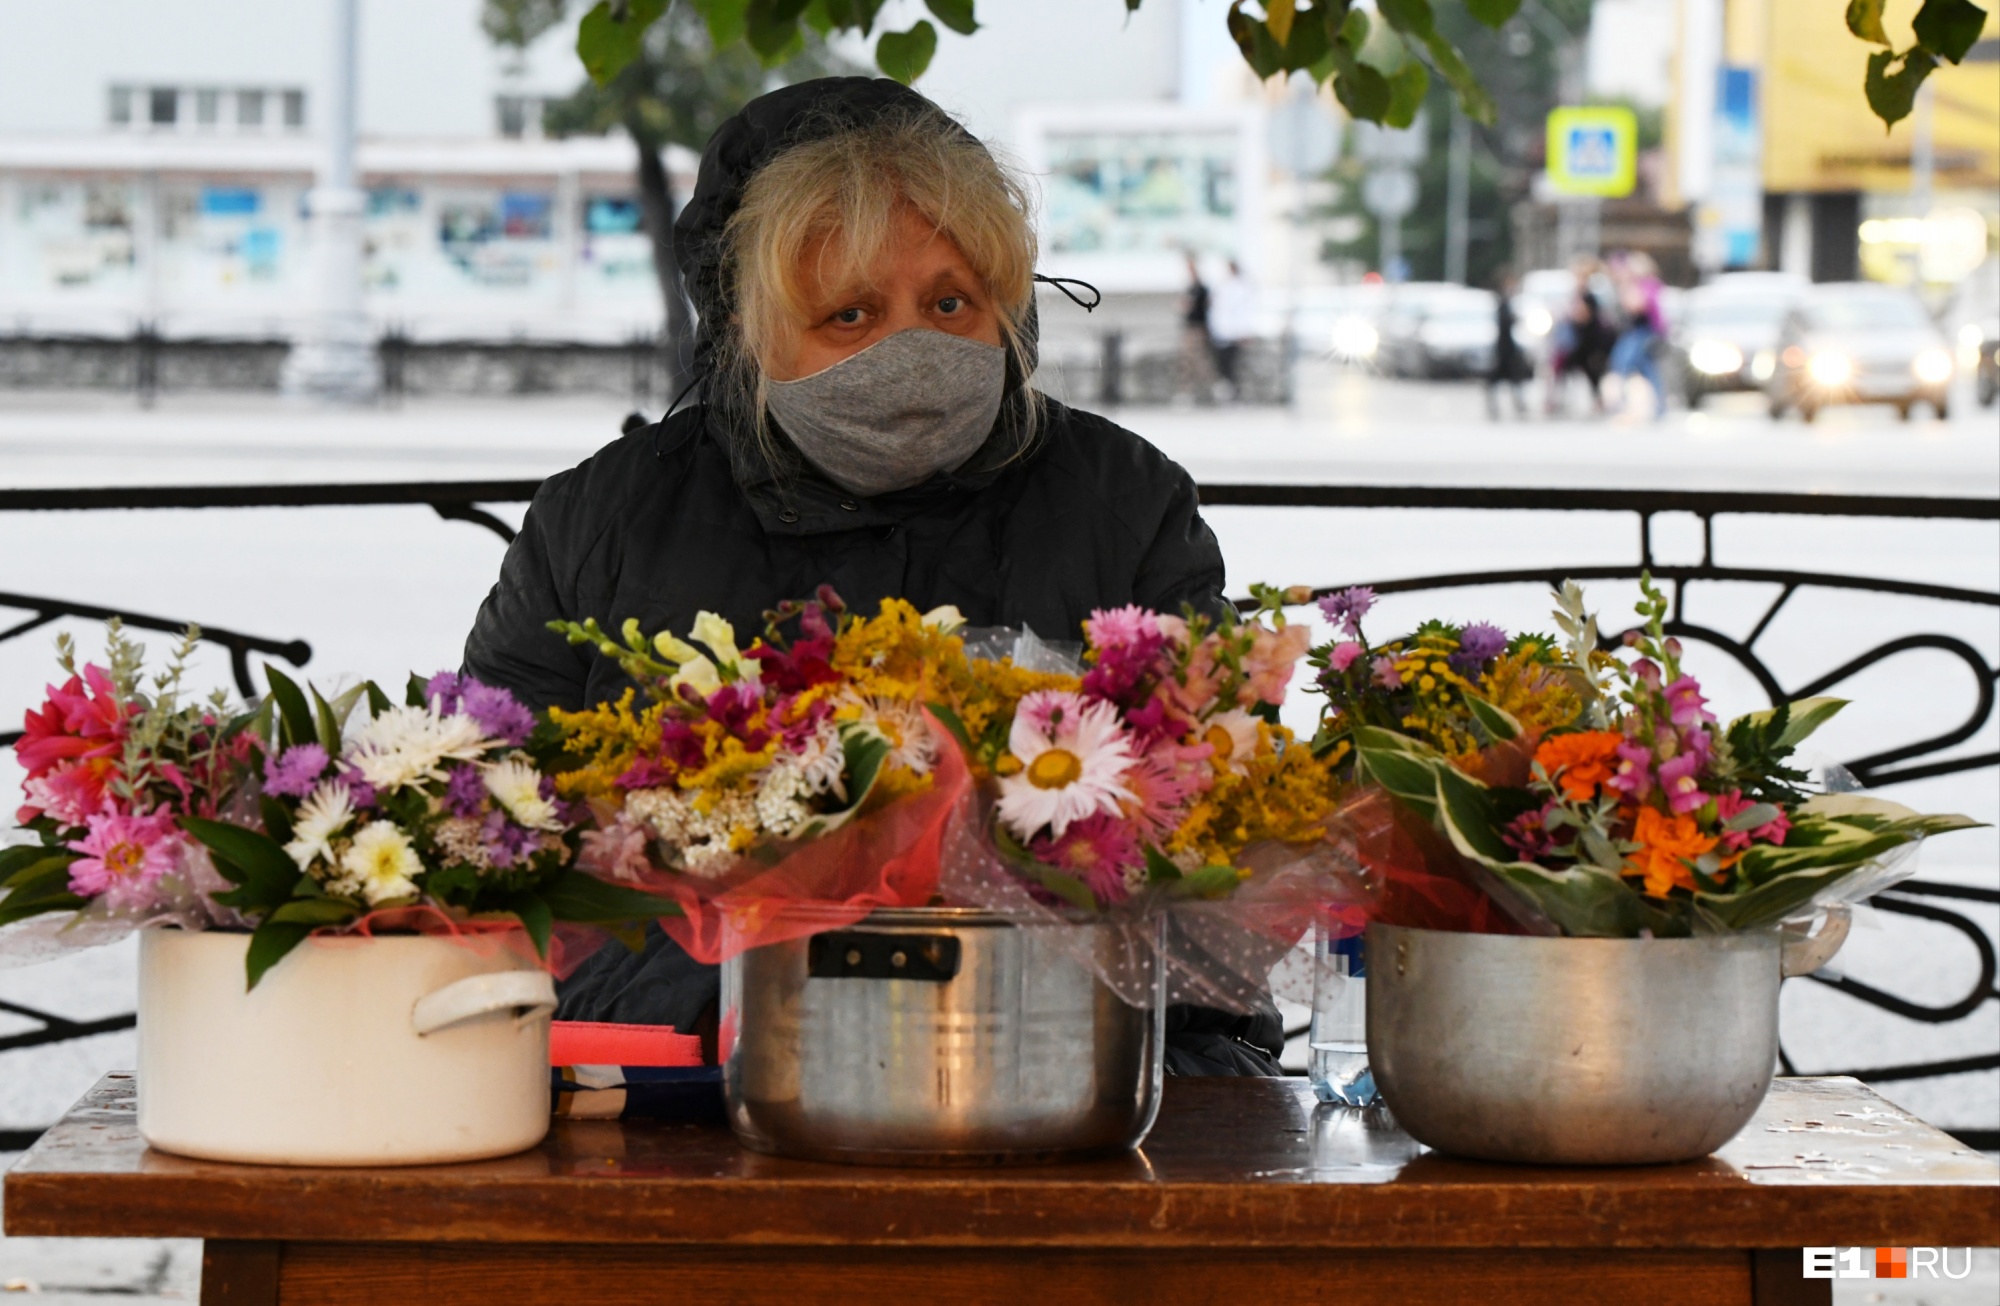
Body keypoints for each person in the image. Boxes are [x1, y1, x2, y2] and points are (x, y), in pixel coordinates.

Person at [461, 77, 1284, 1077]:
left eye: (949, 302)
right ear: (749, 332)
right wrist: (769, 986)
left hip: (1062, 1092)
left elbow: (1219, 841)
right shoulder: (600, 522)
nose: (910, 349)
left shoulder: (1126, 501)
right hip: (681, 1094)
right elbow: (491, 846)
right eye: (848, 313)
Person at [1608, 251, 1668, 419]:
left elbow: (1637, 306)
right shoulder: (1642, 285)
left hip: (1644, 331)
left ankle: (1621, 403)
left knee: (1623, 363)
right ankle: (1659, 407)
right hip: (1638, 331)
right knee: (1647, 369)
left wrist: (1627, 287)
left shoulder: (1648, 285)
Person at [1208, 258, 1258, 401]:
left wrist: (1246, 331)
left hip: (1237, 333)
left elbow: (1246, 310)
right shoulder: (1223, 285)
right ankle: (1228, 390)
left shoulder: (1244, 286)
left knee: (1235, 364)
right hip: (1223, 332)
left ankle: (1236, 393)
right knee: (1223, 363)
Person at [1176, 251, 1218, 405]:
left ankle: (1215, 388)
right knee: (1190, 360)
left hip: (1197, 328)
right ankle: (1189, 391)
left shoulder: (1201, 288)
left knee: (1196, 359)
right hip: (1191, 327)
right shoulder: (1192, 287)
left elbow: (1203, 307)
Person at [1486, 270, 1529, 420]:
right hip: (1504, 347)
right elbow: (1504, 322)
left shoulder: (1508, 301)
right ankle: (1513, 405)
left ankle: (1518, 405)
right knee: (1503, 378)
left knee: (1512, 378)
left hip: (1507, 346)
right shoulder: (1502, 302)